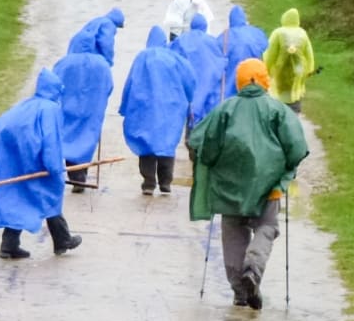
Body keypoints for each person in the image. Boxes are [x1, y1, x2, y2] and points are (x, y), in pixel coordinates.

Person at [188, 58, 309, 310]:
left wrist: (211, 164)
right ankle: (253, 269)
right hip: (269, 187)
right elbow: (297, 148)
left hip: (229, 188)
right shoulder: (278, 111)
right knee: (266, 227)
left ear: (239, 81)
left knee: (233, 232)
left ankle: (240, 292)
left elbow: (204, 145)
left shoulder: (225, 109)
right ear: (265, 79)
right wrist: (283, 169)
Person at [0, 68, 83, 259]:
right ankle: (62, 240)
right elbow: (51, 142)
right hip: (34, 161)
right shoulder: (50, 109)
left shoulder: (26, 105)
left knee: (20, 198)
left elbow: (1, 127)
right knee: (50, 196)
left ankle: (9, 246)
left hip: (15, 160)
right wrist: (54, 168)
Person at [119, 25, 197, 195]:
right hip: (171, 109)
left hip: (145, 109)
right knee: (167, 144)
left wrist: (124, 106)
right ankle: (165, 182)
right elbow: (190, 80)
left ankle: (148, 181)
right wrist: (189, 99)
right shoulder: (174, 58)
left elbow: (130, 83)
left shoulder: (142, 57)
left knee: (145, 143)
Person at [54, 29, 114, 193]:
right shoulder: (102, 64)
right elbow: (109, 87)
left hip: (68, 109)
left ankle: (75, 177)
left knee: (69, 140)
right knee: (86, 141)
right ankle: (80, 176)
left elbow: (53, 84)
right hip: (92, 110)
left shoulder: (64, 63)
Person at [170, 13, 226, 129]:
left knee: (191, 107)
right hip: (208, 80)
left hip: (189, 82)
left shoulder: (182, 40)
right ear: (205, 26)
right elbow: (221, 60)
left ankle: (191, 130)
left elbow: (172, 56)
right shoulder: (212, 41)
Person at [263, 8, 316, 114]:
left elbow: (270, 54)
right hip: (297, 72)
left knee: (277, 100)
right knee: (294, 98)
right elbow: (309, 54)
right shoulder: (303, 34)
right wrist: (309, 70)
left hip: (279, 74)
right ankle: (293, 120)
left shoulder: (278, 33)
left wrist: (266, 69)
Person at [218, 5, 269, 99]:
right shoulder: (256, 33)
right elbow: (265, 46)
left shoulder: (224, 37)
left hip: (231, 87)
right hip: (254, 81)